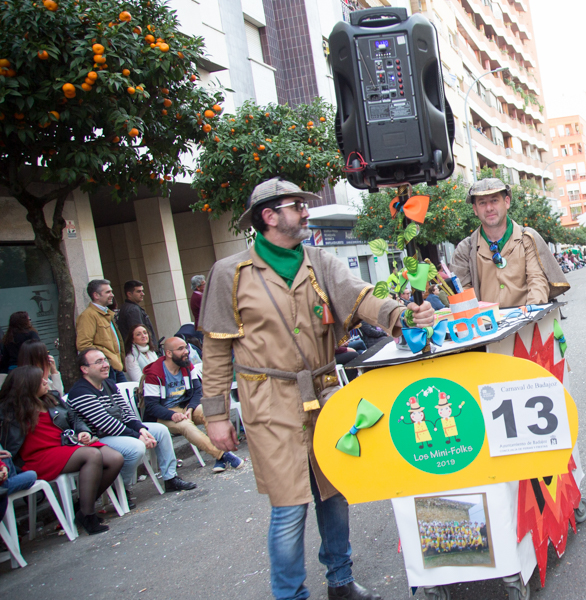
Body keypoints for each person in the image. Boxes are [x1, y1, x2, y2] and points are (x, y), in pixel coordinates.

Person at [198, 178, 436, 600]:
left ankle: (340, 582)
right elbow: (216, 352)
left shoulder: (319, 261)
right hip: (268, 402)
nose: (307, 212)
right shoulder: (228, 273)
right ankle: (291, 595)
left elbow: (361, 297)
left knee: (335, 492)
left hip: (326, 393)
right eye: (297, 206)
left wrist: (400, 315)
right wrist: (216, 416)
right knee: (290, 507)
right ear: (269, 217)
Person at [0, 365, 124, 535]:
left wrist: (83, 432)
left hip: (64, 445)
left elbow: (74, 418)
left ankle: (80, 507)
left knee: (115, 458)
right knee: (92, 454)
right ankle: (88, 515)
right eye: (40, 380)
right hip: (38, 456)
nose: (46, 381)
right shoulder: (11, 412)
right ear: (27, 385)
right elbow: (8, 444)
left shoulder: (52, 398)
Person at [68, 348, 196, 499]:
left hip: (119, 432)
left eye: (105, 360)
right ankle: (120, 488)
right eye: (98, 362)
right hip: (97, 439)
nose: (105, 365)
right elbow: (106, 424)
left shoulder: (108, 384)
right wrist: (137, 436)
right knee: (135, 448)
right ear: (84, 369)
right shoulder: (81, 392)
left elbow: (126, 412)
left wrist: (141, 429)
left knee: (160, 430)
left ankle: (170, 478)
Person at [450, 178, 570, 308]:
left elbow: (537, 281)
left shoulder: (527, 239)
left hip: (527, 322)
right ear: (475, 209)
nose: (489, 208)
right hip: (486, 325)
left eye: (494, 201)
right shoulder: (465, 249)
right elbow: (462, 292)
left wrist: (530, 314)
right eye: (482, 203)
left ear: (506, 202)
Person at [141, 336, 242, 472]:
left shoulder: (187, 365)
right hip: (163, 415)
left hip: (185, 407)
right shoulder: (154, 374)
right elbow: (152, 407)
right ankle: (223, 455)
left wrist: (191, 408)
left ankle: (221, 459)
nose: (186, 352)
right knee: (186, 425)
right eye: (181, 349)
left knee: (209, 412)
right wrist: (172, 415)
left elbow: (198, 391)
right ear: (169, 353)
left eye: (186, 347)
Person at [75, 279, 128, 383]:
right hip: (106, 368)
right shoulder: (88, 316)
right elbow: (83, 345)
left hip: (114, 366)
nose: (112, 295)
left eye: (111, 291)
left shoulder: (106, 313)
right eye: (108, 292)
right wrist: (104, 360)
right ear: (96, 295)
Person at [116, 280, 159, 354]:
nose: (143, 294)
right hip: (139, 352)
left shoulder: (127, 307)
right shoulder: (133, 310)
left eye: (142, 291)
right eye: (138, 291)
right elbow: (138, 334)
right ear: (129, 294)